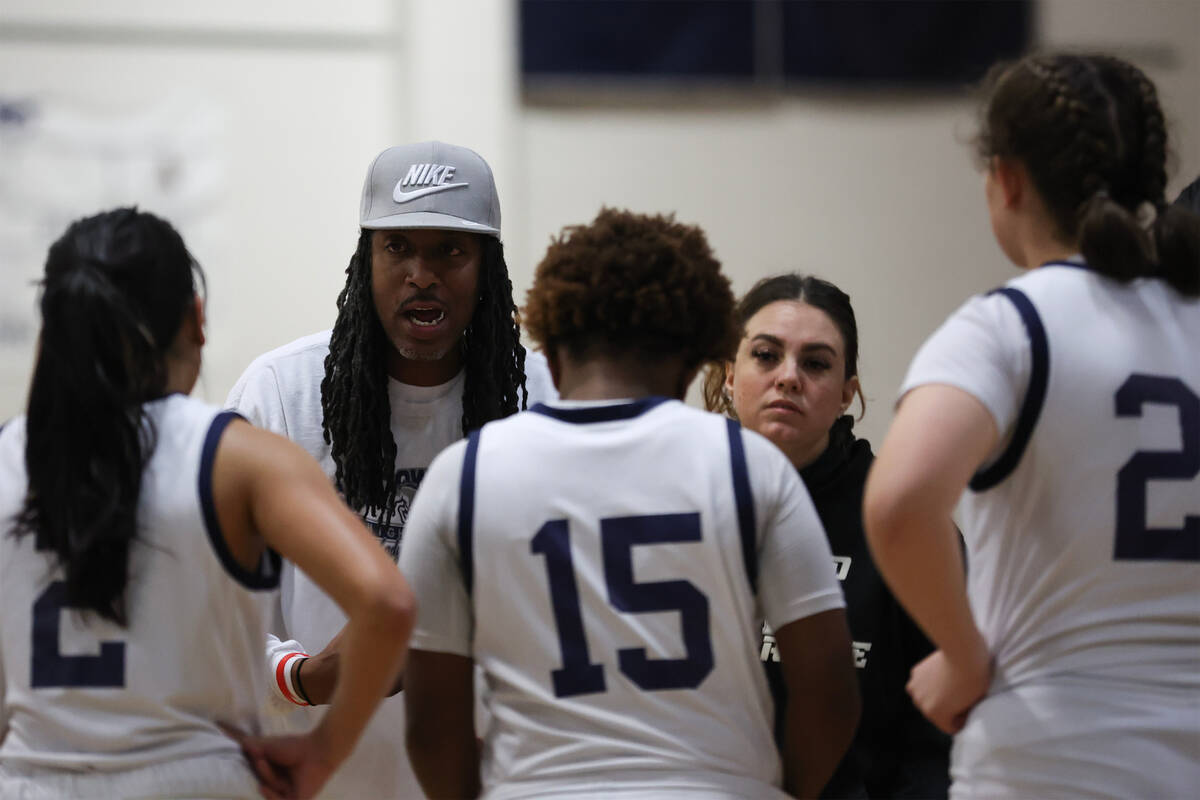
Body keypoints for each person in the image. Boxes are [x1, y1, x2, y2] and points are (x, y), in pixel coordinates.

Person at [399, 208, 860, 799]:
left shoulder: (462, 476)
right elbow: (831, 692)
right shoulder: (753, 467)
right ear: (697, 360)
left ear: (553, 348)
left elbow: (432, 724)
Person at [863, 53, 1200, 799]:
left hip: (1056, 757)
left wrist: (964, 653)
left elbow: (900, 501)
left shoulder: (1009, 326)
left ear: (1006, 179)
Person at [0, 208, 414, 800]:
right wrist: (323, 754)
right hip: (193, 779)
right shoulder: (240, 458)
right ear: (197, 320)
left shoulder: (7, 455)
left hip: (30, 779)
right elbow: (388, 603)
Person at [226, 141, 556, 798]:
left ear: (487, 269)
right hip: (315, 777)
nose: (422, 274)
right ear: (365, 259)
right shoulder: (279, 391)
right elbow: (215, 611)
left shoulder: (543, 396)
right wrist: (305, 677)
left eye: (450, 252)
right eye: (399, 247)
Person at [705, 274, 950, 799]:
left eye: (815, 363)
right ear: (729, 375)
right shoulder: (676, 496)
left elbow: (941, 732)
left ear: (846, 394)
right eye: (766, 355)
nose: (788, 377)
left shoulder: (901, 518)